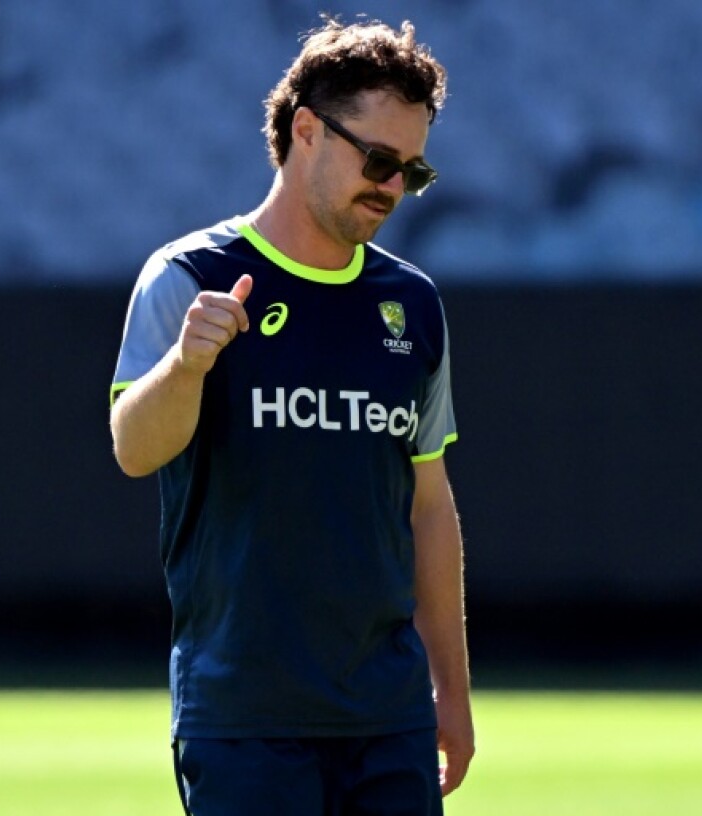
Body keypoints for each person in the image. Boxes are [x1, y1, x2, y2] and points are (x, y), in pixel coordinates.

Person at [110, 17, 473, 815]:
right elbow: (135, 450)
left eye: (411, 172)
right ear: (305, 130)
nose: (390, 187)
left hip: (391, 718)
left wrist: (451, 689)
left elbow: (429, 506)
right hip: (245, 719)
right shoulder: (189, 276)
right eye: (378, 160)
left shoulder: (412, 304)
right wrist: (187, 365)